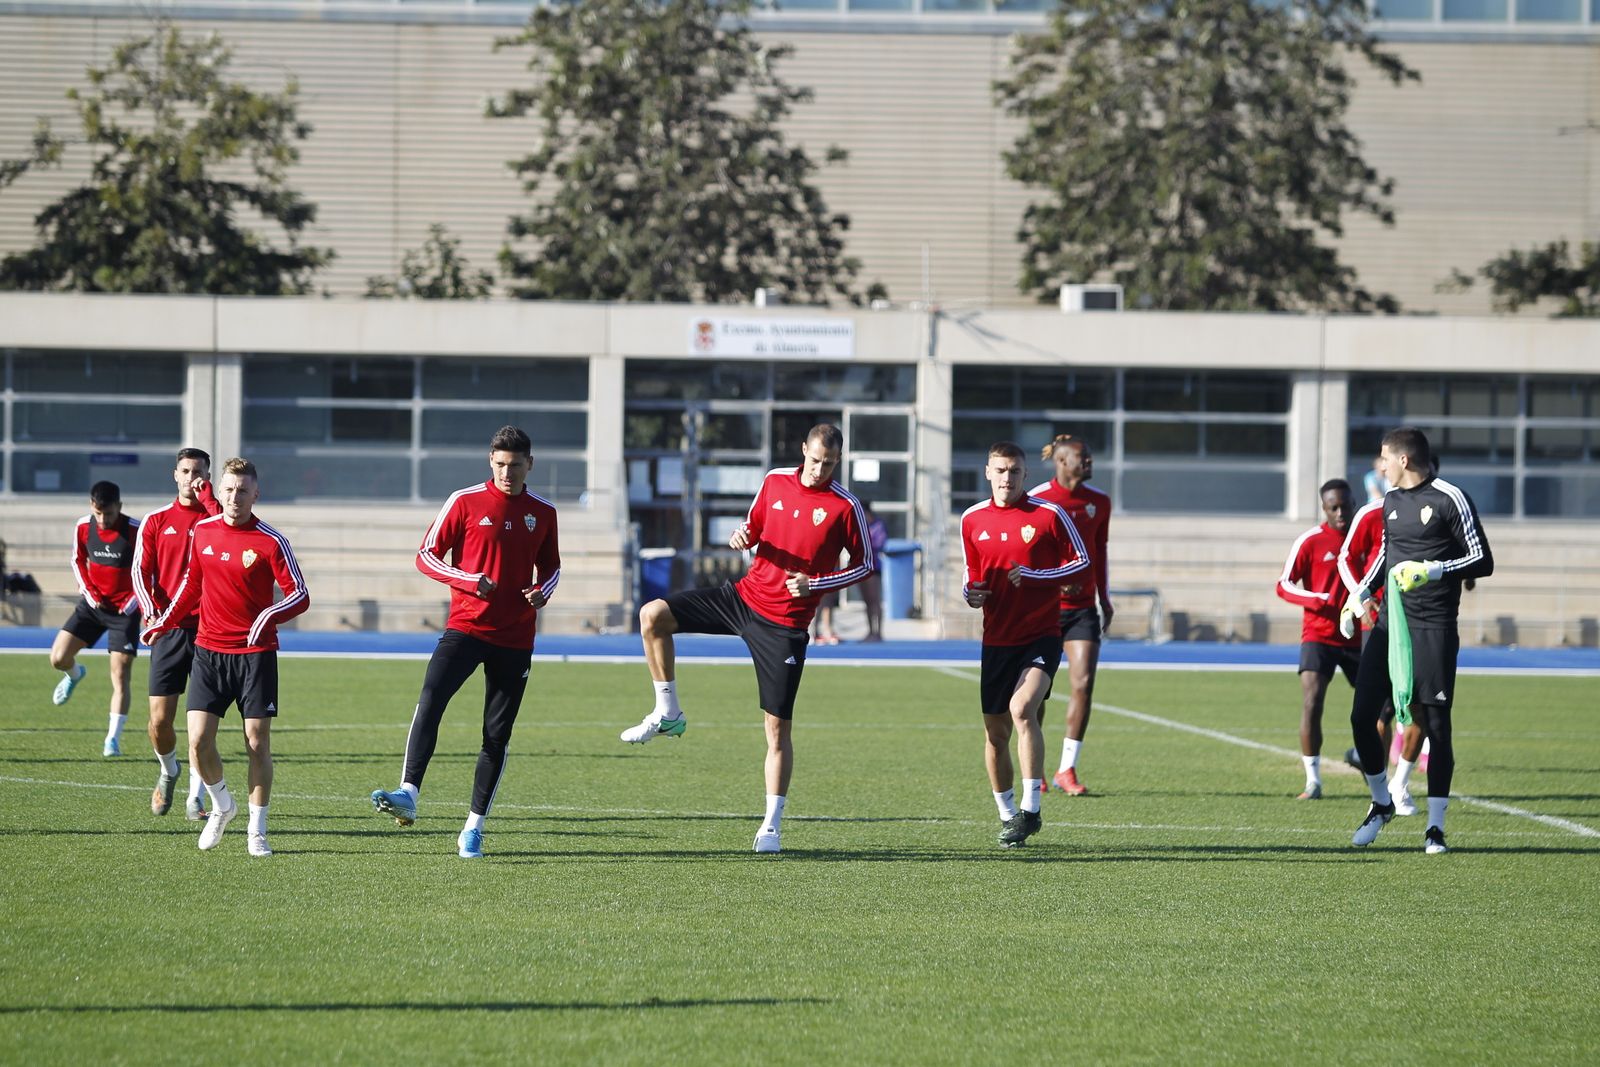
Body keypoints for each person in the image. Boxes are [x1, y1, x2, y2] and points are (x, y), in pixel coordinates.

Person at [621, 423, 871, 855]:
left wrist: (816, 584)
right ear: (803, 451)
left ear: (838, 461)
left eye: (829, 464)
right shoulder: (774, 480)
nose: (819, 470)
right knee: (653, 615)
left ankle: (771, 826)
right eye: (814, 461)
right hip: (741, 598)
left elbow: (864, 565)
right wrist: (742, 535)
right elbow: (752, 527)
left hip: (785, 625)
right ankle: (667, 712)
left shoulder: (844, 505)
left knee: (776, 729)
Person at [370, 426, 561, 859]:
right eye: (499, 464)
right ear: (489, 462)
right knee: (431, 698)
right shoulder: (464, 501)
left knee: (496, 734)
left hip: (515, 638)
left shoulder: (543, 512)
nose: (506, 473)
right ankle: (409, 793)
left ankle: (474, 827)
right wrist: (469, 580)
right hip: (466, 628)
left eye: (514, 465)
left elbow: (552, 567)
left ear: (529, 464)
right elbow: (426, 555)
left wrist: (542, 591)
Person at [141, 458, 310, 857]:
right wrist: (163, 622)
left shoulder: (271, 541)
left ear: (256, 494)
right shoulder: (202, 532)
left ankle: (257, 830)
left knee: (256, 743)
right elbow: (191, 586)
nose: (235, 497)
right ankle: (221, 806)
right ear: (219, 492)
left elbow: (299, 595)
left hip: (255, 655)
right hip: (209, 651)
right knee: (198, 742)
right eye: (229, 490)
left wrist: (268, 614)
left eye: (243, 490)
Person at [1345, 427, 1493, 854]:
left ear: (1404, 460)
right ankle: (1380, 802)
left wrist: (1433, 571)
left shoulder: (1451, 497)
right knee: (1361, 717)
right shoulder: (1390, 501)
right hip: (1391, 626)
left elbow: (1482, 558)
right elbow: (1386, 558)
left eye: (1384, 459)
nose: (1380, 466)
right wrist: (1359, 597)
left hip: (1433, 627)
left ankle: (1435, 828)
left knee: (1436, 727)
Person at [963, 442, 1090, 847]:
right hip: (996, 638)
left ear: (1024, 475)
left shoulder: (1048, 515)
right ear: (987, 472)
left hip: (1041, 634)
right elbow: (972, 575)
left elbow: (1081, 562)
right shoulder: (971, 519)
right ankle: (1008, 815)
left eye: (1014, 471)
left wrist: (1036, 576)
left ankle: (1032, 809)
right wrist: (972, 593)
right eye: (1000, 470)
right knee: (995, 735)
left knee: (1022, 708)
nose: (1007, 478)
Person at [132, 448, 220, 820]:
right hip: (168, 629)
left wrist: (210, 498)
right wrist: (151, 611)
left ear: (207, 476)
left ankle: (195, 798)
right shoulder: (156, 520)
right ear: (175, 474)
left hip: (209, 630)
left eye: (198, 472)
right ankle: (169, 770)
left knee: (199, 726)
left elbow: (233, 529)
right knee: (159, 722)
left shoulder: (216, 517)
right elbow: (140, 572)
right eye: (185, 471)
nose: (190, 478)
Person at [1336, 460, 1427, 816]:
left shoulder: (1437, 507)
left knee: (1417, 710)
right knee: (1379, 712)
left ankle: (1397, 787)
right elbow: (1348, 558)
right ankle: (1386, 787)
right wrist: (1360, 597)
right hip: (1380, 623)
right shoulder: (1374, 511)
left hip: (1422, 624)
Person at [1029, 435, 1114, 795]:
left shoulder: (1099, 503)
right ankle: (1036, 768)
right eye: (1083, 457)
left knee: (1082, 684)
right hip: (1043, 610)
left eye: (1090, 456)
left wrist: (1104, 598)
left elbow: (1100, 552)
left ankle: (1067, 769)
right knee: (1038, 692)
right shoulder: (1037, 500)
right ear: (1062, 462)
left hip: (1082, 610)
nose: (1090, 462)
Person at [1273, 478, 1359, 800]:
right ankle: (1313, 781)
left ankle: (1370, 764)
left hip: (1358, 636)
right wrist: (1317, 599)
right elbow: (1284, 584)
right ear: (1324, 508)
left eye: (1345, 506)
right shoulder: (1310, 541)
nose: (1340, 513)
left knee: (1380, 706)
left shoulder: (1365, 537)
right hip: (1318, 635)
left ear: (1353, 503)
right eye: (1333, 507)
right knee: (1312, 701)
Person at [50, 480, 141, 757]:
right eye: (99, 513)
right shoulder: (83, 527)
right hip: (92, 606)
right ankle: (75, 674)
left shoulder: (135, 530)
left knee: (120, 674)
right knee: (58, 658)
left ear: (119, 507)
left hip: (124, 613)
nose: (103, 520)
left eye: (109, 514)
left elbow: (150, 570)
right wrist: (88, 592)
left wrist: (134, 601)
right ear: (92, 506)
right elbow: (77, 560)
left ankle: (112, 740)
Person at [859, 500, 889, 642]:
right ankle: (871, 630)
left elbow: (880, 543)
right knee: (867, 601)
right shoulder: (860, 526)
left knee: (874, 600)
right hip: (861, 568)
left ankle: (879, 632)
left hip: (874, 567)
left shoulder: (877, 525)